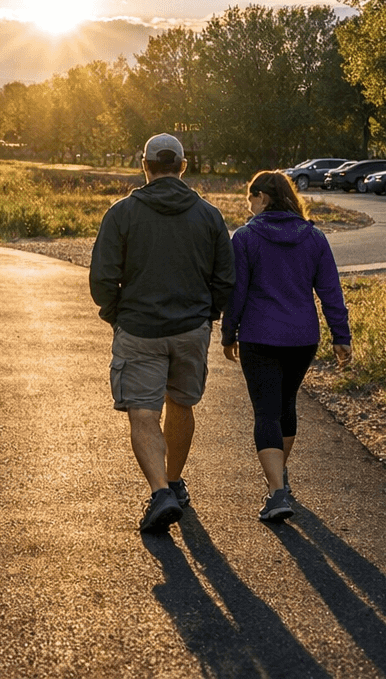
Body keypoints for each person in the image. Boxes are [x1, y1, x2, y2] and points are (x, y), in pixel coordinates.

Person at [90, 134, 235, 534]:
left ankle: (160, 492)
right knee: (182, 403)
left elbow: (102, 278)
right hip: (190, 329)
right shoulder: (209, 215)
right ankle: (173, 481)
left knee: (143, 411)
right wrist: (208, 317)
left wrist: (118, 316)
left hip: (139, 329)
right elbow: (226, 278)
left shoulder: (121, 214)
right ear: (183, 167)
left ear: (145, 165)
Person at [222, 170, 352, 524]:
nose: (248, 206)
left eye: (250, 198)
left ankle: (276, 491)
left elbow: (237, 293)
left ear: (262, 197)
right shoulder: (315, 237)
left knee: (265, 412)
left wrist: (227, 332)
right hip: (301, 338)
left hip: (259, 335)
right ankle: (280, 478)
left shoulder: (246, 238)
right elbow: (330, 292)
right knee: (286, 405)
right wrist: (341, 336)